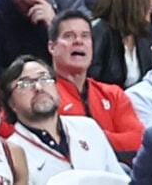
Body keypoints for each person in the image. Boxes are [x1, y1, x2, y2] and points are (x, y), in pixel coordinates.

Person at [0, 57, 122, 185]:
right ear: (11, 103)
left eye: (45, 79)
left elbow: (120, 179)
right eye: (25, 84)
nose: (39, 87)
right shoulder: (11, 152)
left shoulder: (88, 127)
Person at [52, 9, 145, 157]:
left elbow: (137, 140)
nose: (78, 41)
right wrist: (112, 139)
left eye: (85, 36)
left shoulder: (113, 94)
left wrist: (91, 137)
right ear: (52, 47)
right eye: (69, 36)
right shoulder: (43, 94)